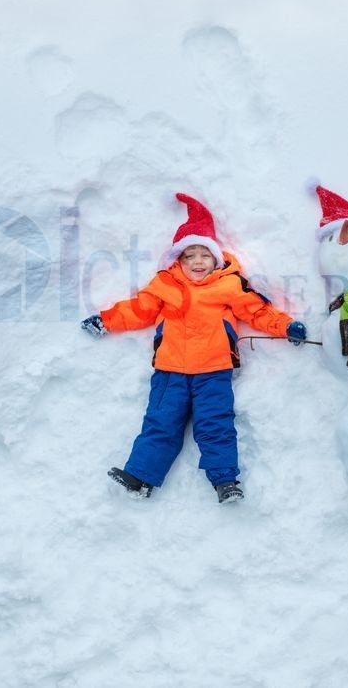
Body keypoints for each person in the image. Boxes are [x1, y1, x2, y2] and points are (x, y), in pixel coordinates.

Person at [80, 193, 308, 504]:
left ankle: (226, 481)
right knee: (160, 422)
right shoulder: (164, 284)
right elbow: (139, 309)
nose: (197, 262)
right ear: (178, 260)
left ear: (216, 258)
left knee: (215, 425)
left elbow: (257, 311)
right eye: (189, 256)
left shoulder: (229, 284)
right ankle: (142, 478)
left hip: (213, 371)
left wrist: (285, 326)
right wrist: (106, 320)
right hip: (170, 370)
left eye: (204, 255)